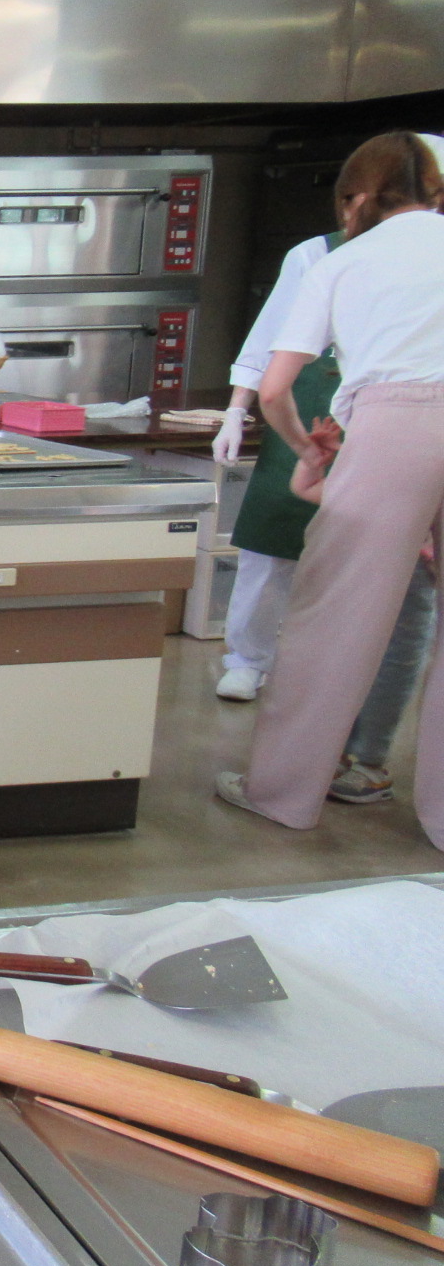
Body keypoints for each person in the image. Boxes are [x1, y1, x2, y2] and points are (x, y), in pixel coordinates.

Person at [218, 132, 444, 843]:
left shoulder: (342, 260)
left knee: (336, 618)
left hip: (396, 423)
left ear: (356, 198)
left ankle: (283, 793)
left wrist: (306, 452)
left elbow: (276, 388)